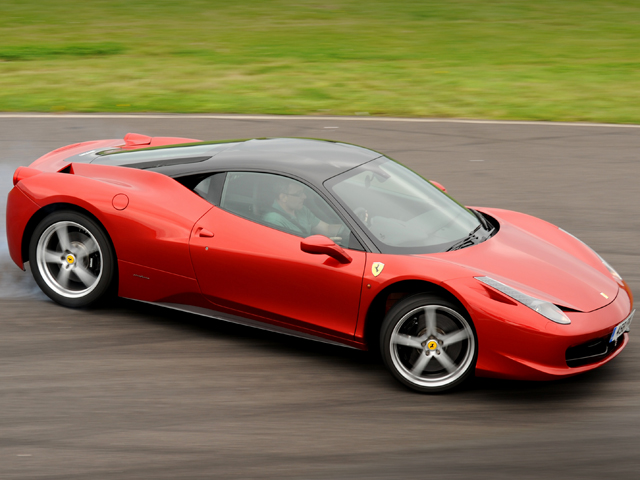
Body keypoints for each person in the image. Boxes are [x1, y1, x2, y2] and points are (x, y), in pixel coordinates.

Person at [263, 179, 345, 240]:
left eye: (303, 192)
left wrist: (348, 230)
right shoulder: (273, 220)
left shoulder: (301, 210)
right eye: (299, 193)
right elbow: (288, 250)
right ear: (283, 197)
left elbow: (326, 228)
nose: (304, 197)